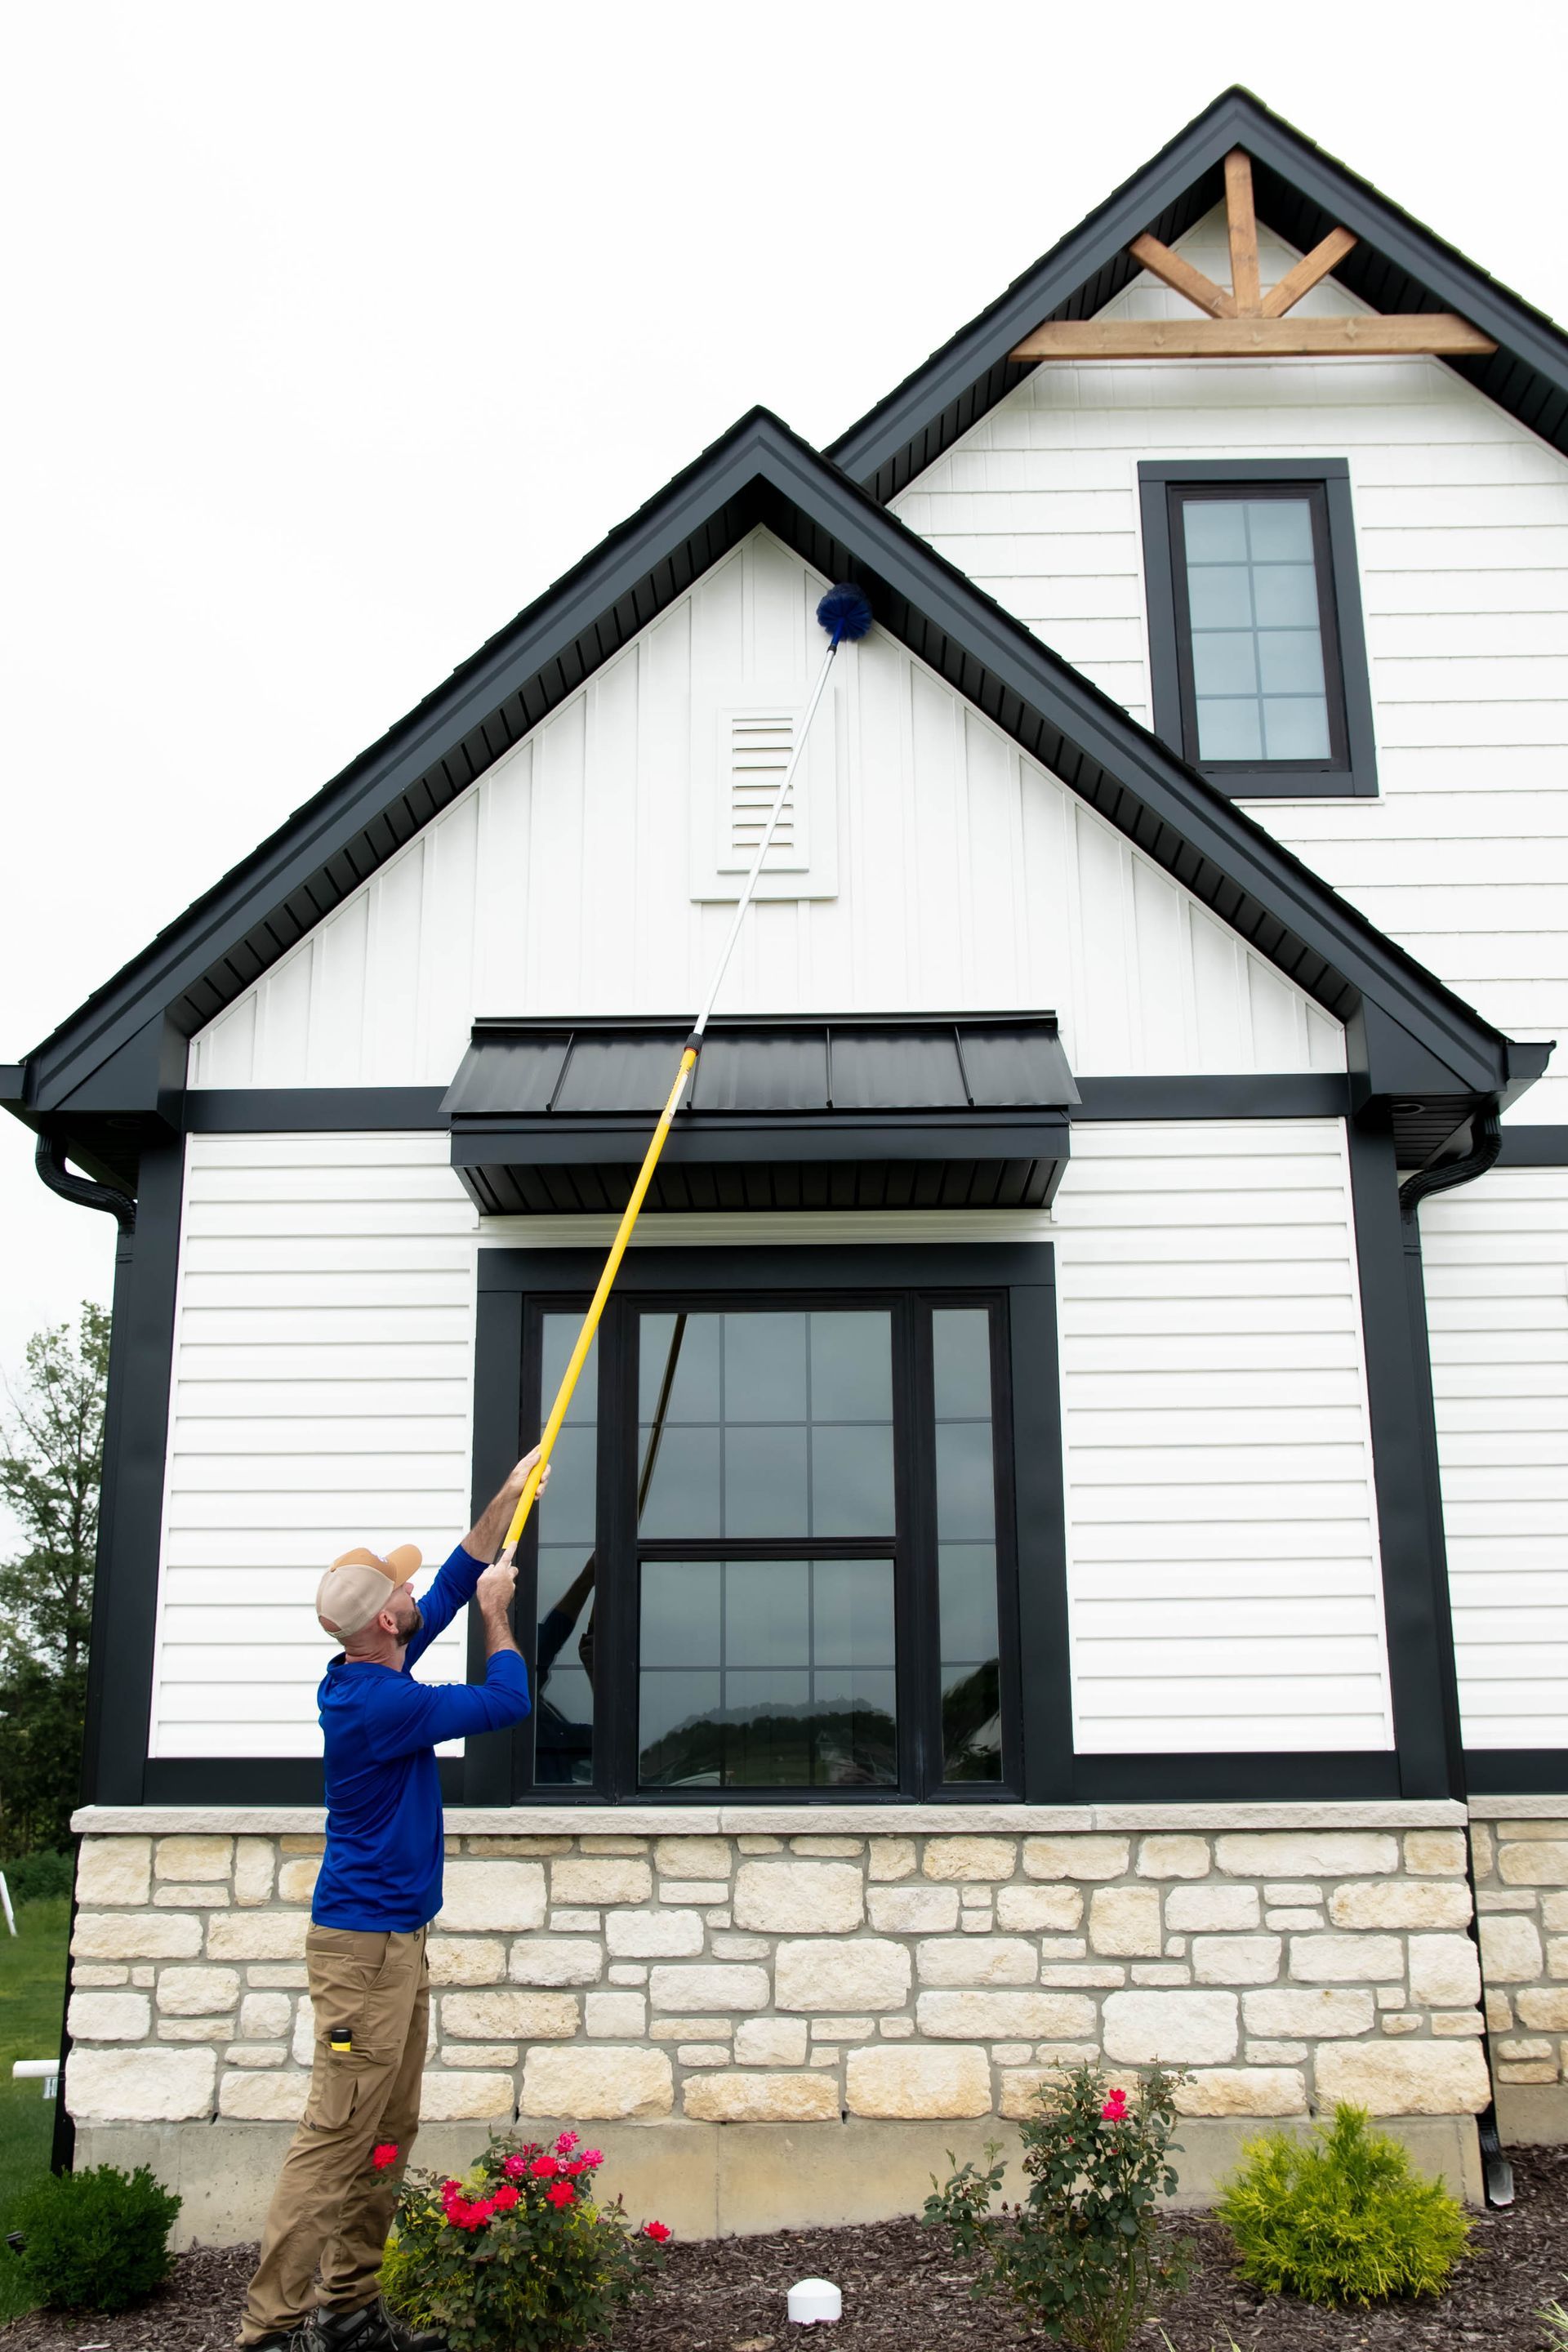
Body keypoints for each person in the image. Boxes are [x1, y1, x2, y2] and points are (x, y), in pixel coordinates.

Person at [237, 1448, 547, 2352]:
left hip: (393, 1946)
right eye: (401, 1590)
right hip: (362, 1956)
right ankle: (271, 2331)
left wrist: (513, 1487)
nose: (420, 1593)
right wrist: (498, 1616)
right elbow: (507, 1699)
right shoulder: (381, 1706)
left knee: (386, 2130)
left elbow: (453, 1574)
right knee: (335, 2140)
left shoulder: (377, 1667)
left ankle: (350, 2314)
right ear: (384, 1618)